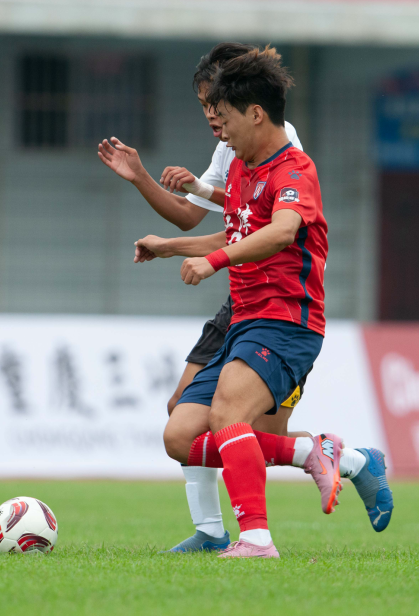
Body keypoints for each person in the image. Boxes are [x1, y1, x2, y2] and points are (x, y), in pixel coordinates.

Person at [135, 47, 389, 559]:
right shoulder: (241, 169)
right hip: (243, 323)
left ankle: (254, 539)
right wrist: (172, 248)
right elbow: (235, 231)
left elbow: (281, 231)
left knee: (229, 412)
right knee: (180, 435)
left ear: (254, 113)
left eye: (224, 117)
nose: (220, 131)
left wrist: (214, 262)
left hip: (286, 320)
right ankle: (323, 454)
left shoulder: (293, 168)